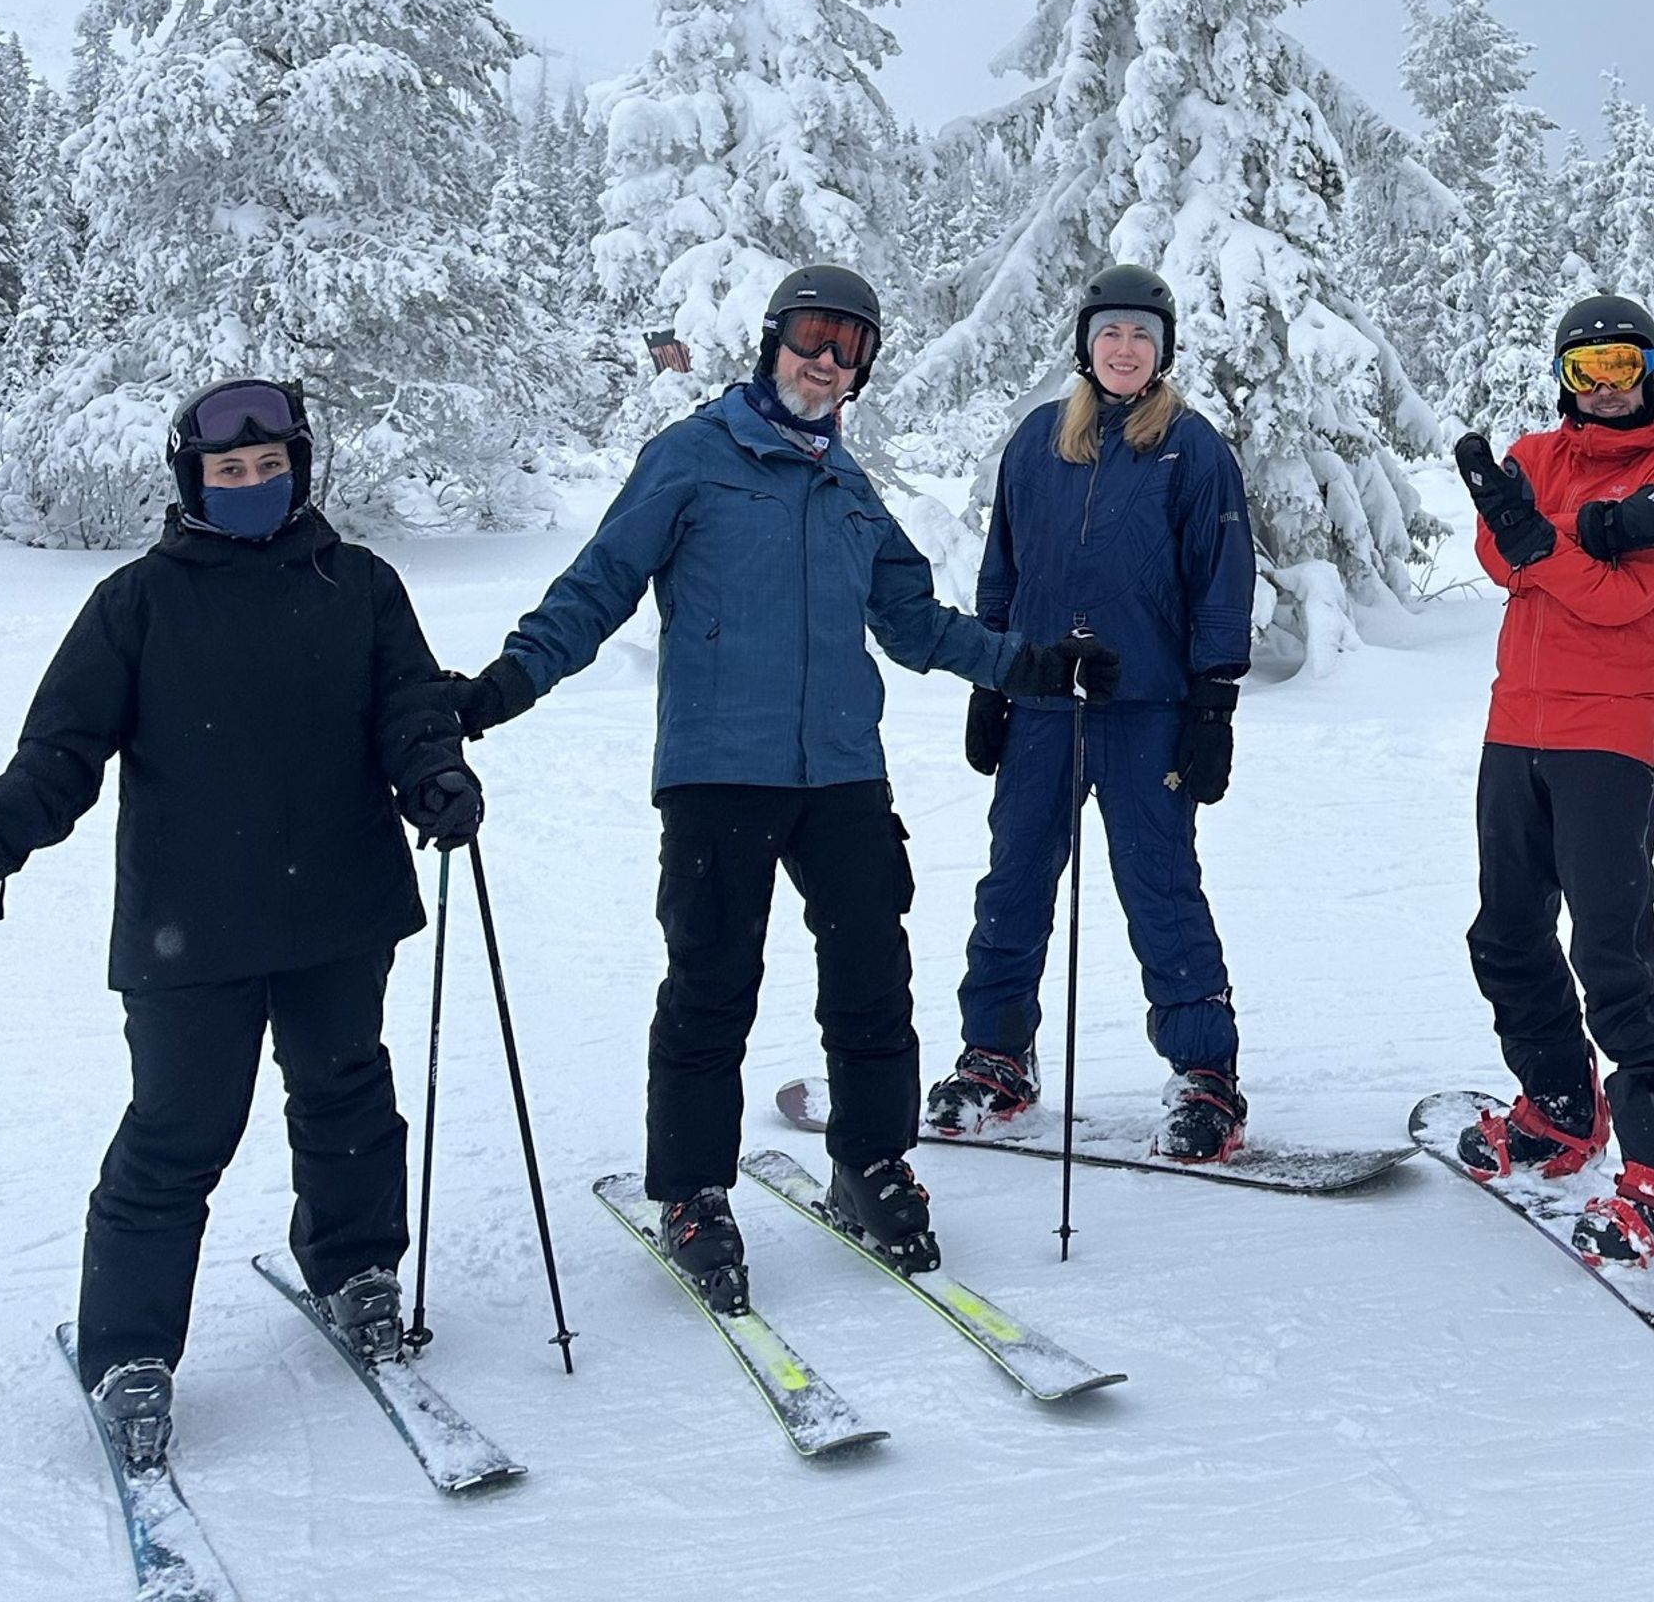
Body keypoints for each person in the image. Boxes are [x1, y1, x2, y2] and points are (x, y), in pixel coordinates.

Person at [448, 266, 1115, 1309]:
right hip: (718, 768)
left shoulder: (849, 488)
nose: (825, 360)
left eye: (848, 348)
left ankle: (871, 1163)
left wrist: (1030, 665)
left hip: (842, 768)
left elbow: (914, 622)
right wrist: (503, 686)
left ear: (861, 371)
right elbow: (598, 585)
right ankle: (693, 1193)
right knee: (712, 984)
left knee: (871, 976)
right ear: (772, 343)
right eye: (810, 337)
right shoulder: (692, 458)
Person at [0, 379, 480, 1470]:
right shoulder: (138, 602)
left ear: (298, 469)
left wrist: (435, 775)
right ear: (192, 481)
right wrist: (1, 825)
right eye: (228, 473)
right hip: (190, 924)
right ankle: (131, 1352)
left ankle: (355, 1267)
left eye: (268, 469)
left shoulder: (360, 584)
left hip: (340, 903)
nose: (252, 487)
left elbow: (408, 708)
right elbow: (63, 749)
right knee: (179, 1128)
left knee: (346, 1088)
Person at [930, 264, 1259, 1162]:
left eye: (1142, 336)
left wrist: (1212, 705)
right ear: (1085, 343)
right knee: (1014, 881)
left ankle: (1205, 1076)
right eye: (1110, 333)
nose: (1124, 349)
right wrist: (989, 681)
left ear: (1163, 351)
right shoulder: (1039, 441)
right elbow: (1003, 569)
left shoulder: (1194, 450)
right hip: (1040, 701)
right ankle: (996, 1056)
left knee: (1159, 886)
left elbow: (1222, 587)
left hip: (1147, 707)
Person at [1452, 293, 1654, 1263]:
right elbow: (1498, 558)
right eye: (1585, 370)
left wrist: (1545, 546)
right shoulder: (1534, 457)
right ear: (1562, 378)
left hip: (1607, 738)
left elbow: (1620, 600)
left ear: (1651, 370)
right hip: (1513, 725)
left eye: (1622, 366)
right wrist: (1538, 536)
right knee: (1506, 932)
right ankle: (1563, 1100)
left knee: (1612, 955)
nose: (1606, 387)